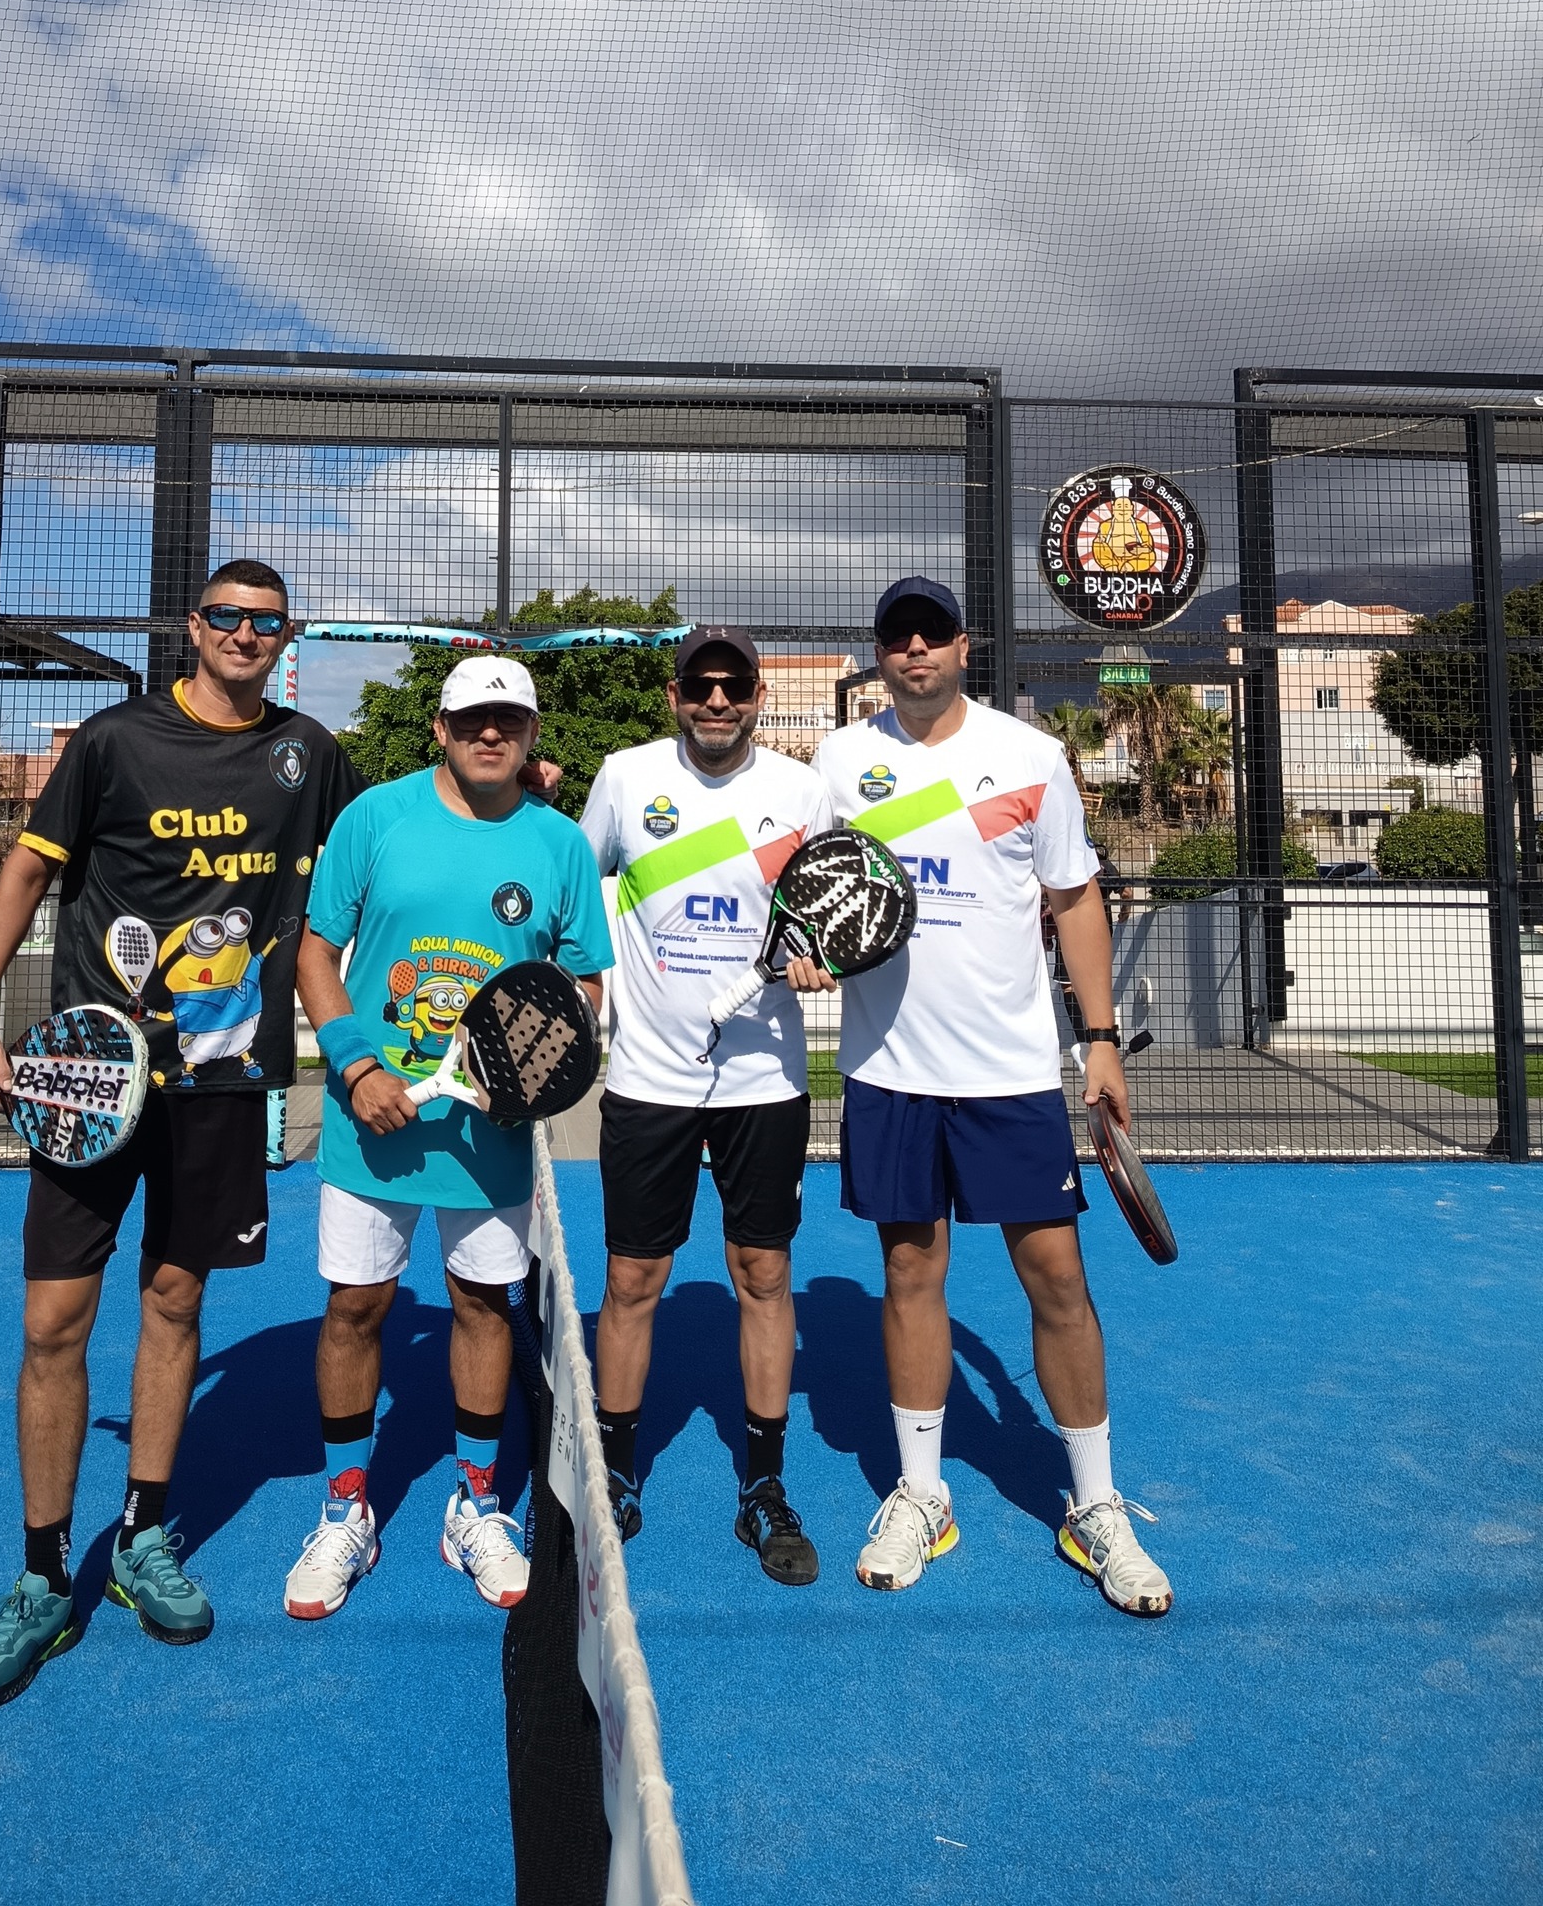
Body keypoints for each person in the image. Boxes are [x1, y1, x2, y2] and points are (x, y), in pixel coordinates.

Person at [0, 561, 360, 1710]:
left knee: (175, 1302)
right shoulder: (114, 740)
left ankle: (141, 1536)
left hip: (220, 1086)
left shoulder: (309, 753)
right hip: (92, 1081)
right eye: (225, 615)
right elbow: (26, 872)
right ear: (194, 625)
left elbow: (379, 851)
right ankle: (42, 1577)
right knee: (53, 1321)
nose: (243, 633)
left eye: (264, 621)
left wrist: (520, 787)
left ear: (286, 635)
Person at [810, 576, 1173, 1617]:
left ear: (964, 647)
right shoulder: (840, 762)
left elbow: (1074, 898)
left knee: (1056, 1275)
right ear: (880, 655)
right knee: (909, 1272)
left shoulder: (1029, 756)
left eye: (932, 634)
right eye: (898, 636)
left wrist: (1099, 1041)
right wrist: (807, 949)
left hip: (1011, 1075)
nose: (915, 650)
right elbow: (816, 888)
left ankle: (1093, 1504)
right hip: (890, 1072)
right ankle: (923, 1494)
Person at [286, 654, 611, 1621]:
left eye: (507, 720)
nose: (489, 734)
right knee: (356, 1307)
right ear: (441, 727)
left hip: (490, 1135)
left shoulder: (559, 843)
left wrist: (525, 1070)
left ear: (532, 734)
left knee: (482, 1304)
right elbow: (315, 953)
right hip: (370, 1122)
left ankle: (475, 1505)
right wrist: (357, 1067)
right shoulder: (373, 818)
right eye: (471, 719)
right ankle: (345, 1510)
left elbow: (584, 986)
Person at [581, 626, 832, 1583]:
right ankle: (613, 1474)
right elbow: (574, 885)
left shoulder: (802, 792)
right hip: (649, 1077)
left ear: (758, 696)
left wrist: (817, 954)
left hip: (764, 1080)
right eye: (700, 685)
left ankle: (763, 1486)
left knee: (763, 1273)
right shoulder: (625, 776)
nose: (717, 701)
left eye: (733, 686)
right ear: (674, 695)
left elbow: (828, 908)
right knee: (632, 1280)